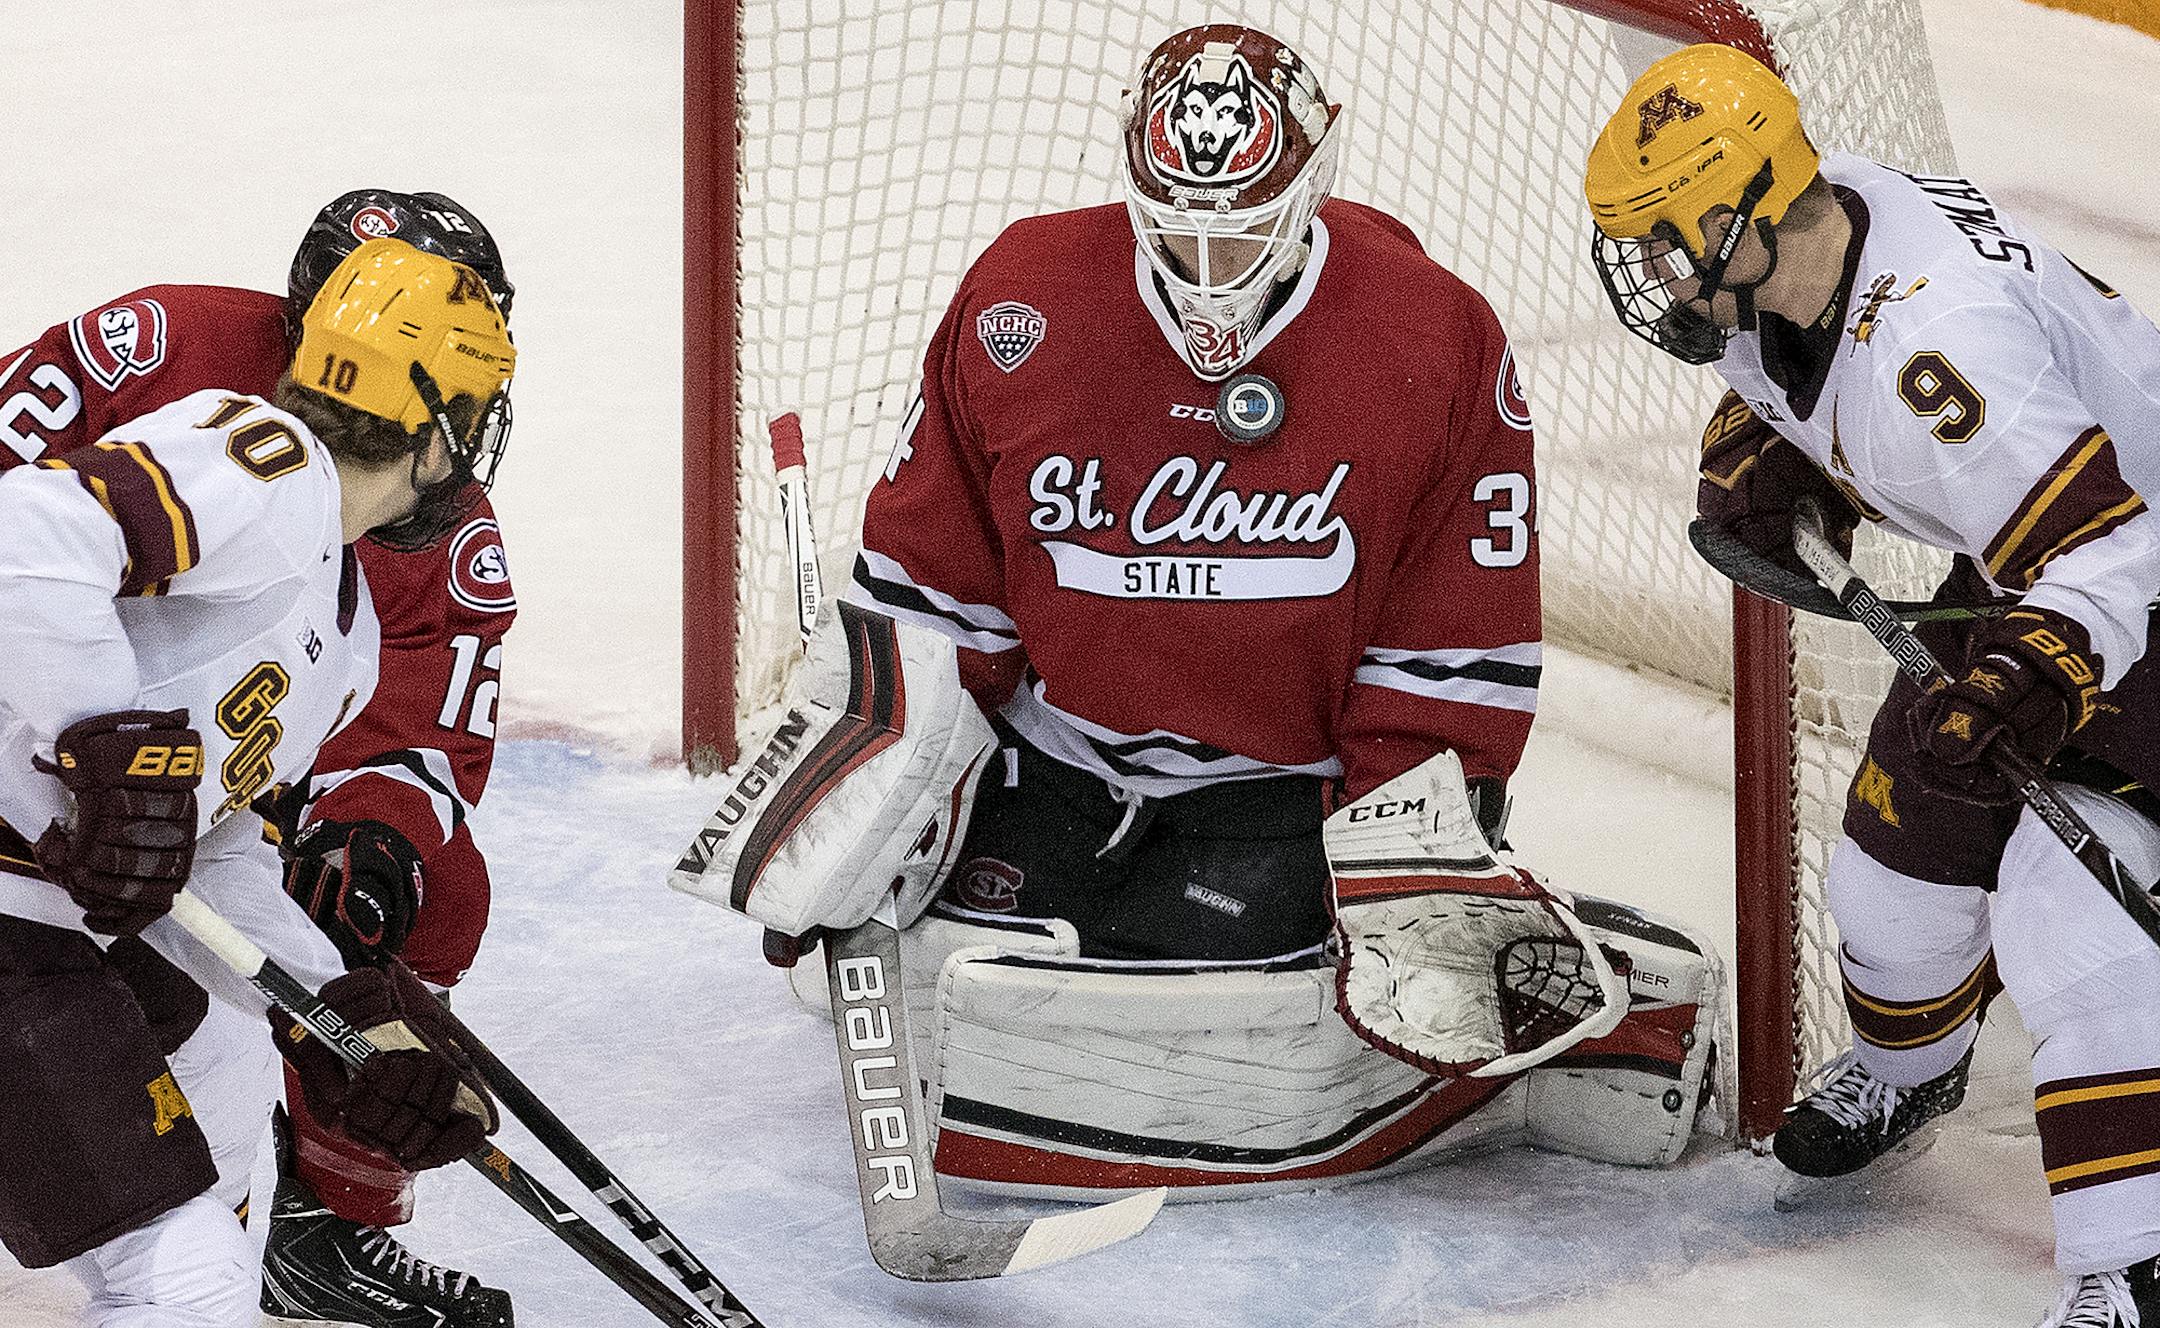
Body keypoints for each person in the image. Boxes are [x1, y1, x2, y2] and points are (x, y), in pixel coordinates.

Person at [673, 24, 1727, 1199]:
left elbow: (1452, 634)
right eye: (1177, 228)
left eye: (1245, 232)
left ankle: (1546, 1037)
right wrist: (867, 782)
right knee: (907, 968)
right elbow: (939, 588)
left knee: (1276, 1018)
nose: (1208, 267)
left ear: (1313, 183)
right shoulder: (1024, 297)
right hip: (1059, 764)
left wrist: (1407, 845)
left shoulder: (1430, 336)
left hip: (1275, 799)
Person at [1585, 42, 2160, 1326]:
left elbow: (2112, 545)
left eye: (1668, 243)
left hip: (2132, 574)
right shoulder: (1822, 219)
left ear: (1739, 213)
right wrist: (1772, 453)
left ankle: (2132, 1259)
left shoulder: (1941, 352)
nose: (1659, 279)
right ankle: (1914, 1070)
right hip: (2034, 554)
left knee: (2077, 923)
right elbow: (1808, 375)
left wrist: (2033, 675)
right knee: (1891, 872)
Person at [0, 190, 521, 1327]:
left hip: (54, 918)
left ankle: (272, 1248)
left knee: (230, 1085)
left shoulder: (347, 627)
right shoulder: (262, 462)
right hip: (16, 914)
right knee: (173, 1279)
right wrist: (110, 749)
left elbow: (216, 839)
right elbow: (19, 539)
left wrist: (336, 1009)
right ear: (439, 433)